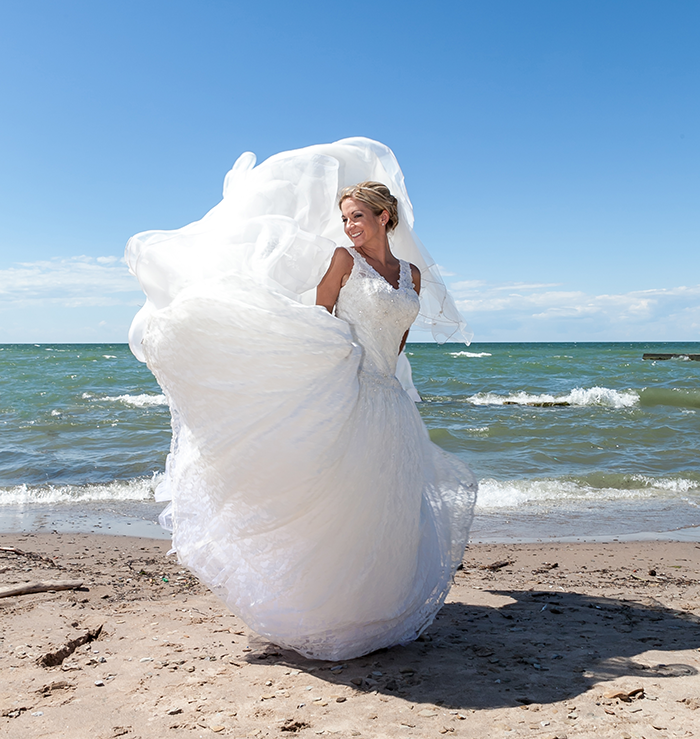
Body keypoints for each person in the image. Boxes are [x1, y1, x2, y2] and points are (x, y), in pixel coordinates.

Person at [126, 138, 477, 660]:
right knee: (347, 503)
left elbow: (399, 338)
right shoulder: (342, 261)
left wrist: (393, 381)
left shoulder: (412, 276)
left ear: (385, 216)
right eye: (345, 218)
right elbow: (318, 323)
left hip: (390, 401)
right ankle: (335, 615)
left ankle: (384, 608)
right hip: (353, 390)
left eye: (358, 216)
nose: (350, 226)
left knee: (393, 503)